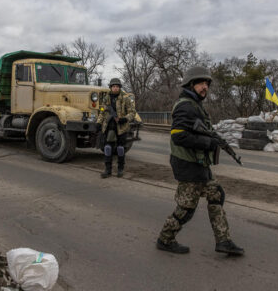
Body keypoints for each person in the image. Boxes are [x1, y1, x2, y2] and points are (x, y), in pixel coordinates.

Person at [156, 66, 244, 256]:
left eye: (207, 84)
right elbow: (178, 136)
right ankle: (165, 239)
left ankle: (224, 241)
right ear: (191, 84)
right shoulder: (185, 106)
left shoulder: (195, 105)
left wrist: (212, 140)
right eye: (202, 83)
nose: (206, 87)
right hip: (187, 164)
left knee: (216, 194)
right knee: (186, 208)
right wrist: (208, 142)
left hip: (197, 163)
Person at [97, 78, 136, 178]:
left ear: (119, 88)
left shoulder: (125, 98)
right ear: (111, 87)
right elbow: (102, 112)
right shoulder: (106, 98)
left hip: (121, 127)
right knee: (108, 148)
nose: (115, 88)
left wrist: (125, 119)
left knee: (120, 148)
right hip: (109, 126)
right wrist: (98, 123)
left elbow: (132, 112)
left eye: (117, 86)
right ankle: (108, 170)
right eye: (113, 86)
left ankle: (120, 169)